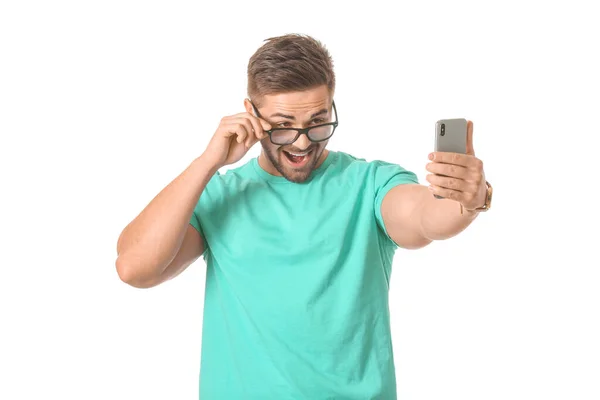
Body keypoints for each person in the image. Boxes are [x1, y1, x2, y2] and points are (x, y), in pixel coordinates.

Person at [115, 33, 492, 399]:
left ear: (332, 104)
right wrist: (207, 162)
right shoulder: (220, 195)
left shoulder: (369, 183)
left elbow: (426, 218)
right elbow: (135, 267)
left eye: (317, 120)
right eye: (282, 126)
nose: (301, 142)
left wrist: (468, 199)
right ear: (251, 115)